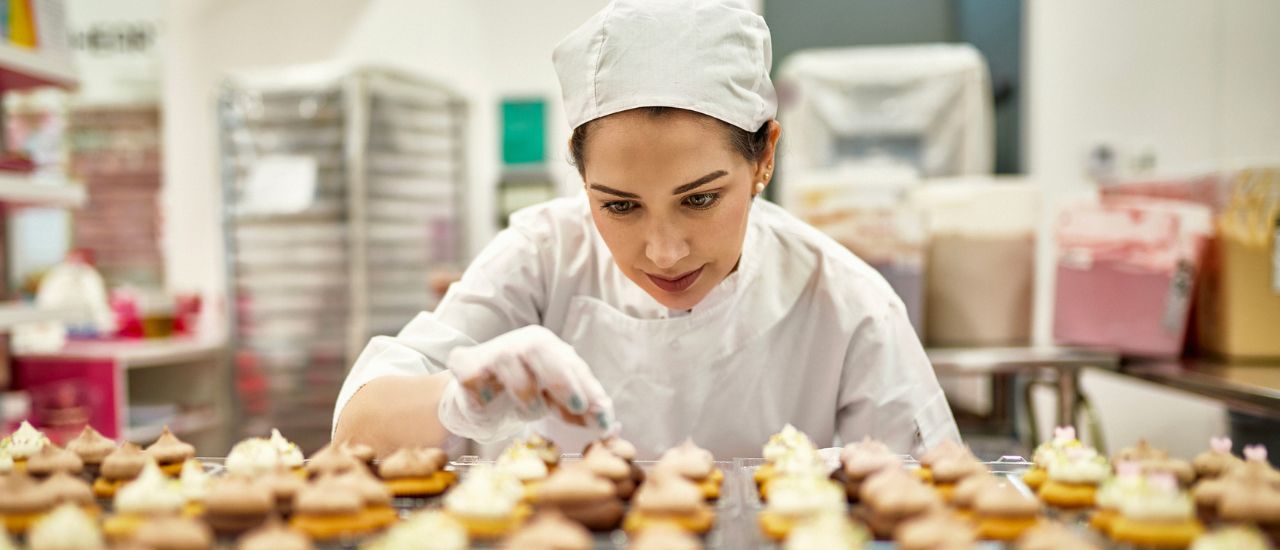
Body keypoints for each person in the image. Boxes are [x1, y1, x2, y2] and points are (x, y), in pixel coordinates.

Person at [333, 0, 959, 459]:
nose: (663, 252)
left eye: (701, 199)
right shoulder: (544, 256)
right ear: (581, 178)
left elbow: (936, 494)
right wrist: (455, 399)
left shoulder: (849, 307)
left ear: (765, 155)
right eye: (620, 206)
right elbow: (356, 429)